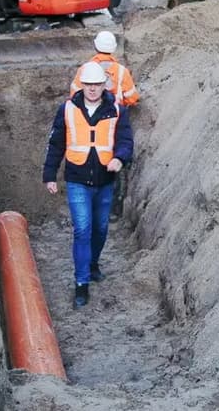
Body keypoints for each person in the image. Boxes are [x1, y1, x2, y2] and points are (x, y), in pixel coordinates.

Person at [43, 61, 134, 308]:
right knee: (82, 229)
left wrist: (119, 158)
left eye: (96, 85)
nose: (92, 89)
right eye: (88, 85)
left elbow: (125, 140)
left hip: (105, 180)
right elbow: (56, 143)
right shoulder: (67, 109)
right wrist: (50, 175)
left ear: (104, 85)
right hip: (77, 179)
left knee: (100, 228)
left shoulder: (116, 109)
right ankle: (81, 283)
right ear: (81, 85)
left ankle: (93, 264)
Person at [70, 31, 140, 107]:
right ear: (114, 47)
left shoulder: (84, 69)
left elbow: (74, 95)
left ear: (95, 46)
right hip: (114, 115)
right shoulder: (122, 71)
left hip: (88, 115)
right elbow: (132, 98)